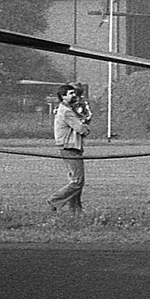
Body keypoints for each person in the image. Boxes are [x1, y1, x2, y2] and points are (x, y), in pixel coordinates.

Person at [49, 83, 90, 213]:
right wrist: (85, 123)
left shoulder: (66, 109)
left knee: (76, 180)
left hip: (70, 147)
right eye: (71, 93)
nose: (74, 95)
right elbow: (80, 129)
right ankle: (55, 200)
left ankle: (75, 210)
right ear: (63, 96)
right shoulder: (66, 111)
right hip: (70, 147)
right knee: (77, 181)